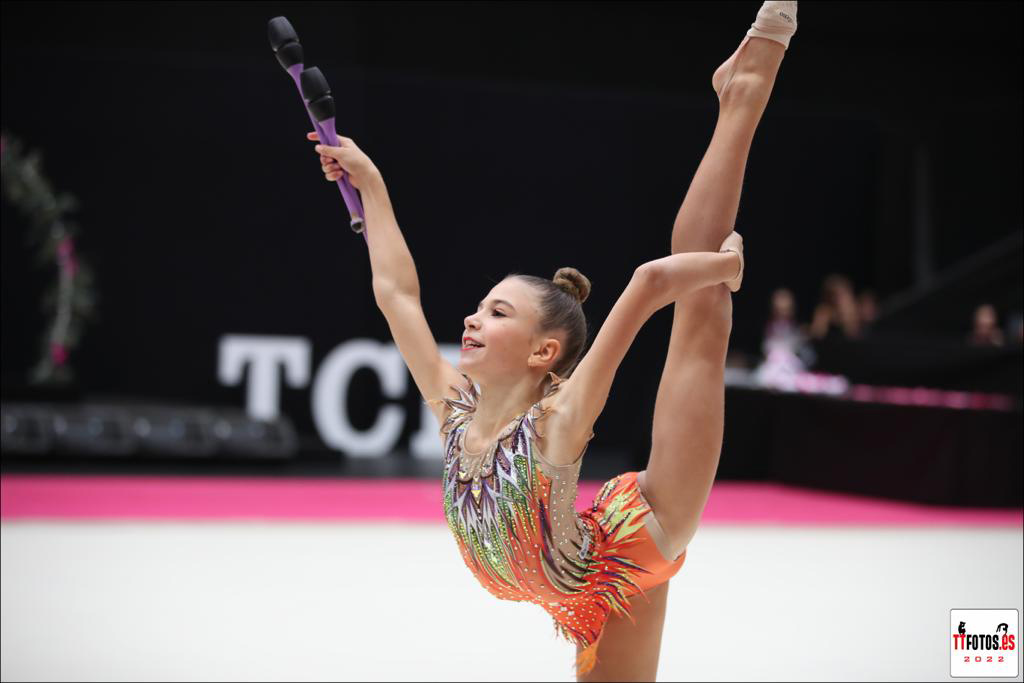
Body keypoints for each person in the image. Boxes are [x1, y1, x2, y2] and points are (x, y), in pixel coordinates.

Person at [309, 2, 796, 678]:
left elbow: (651, 283)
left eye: (496, 312)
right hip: (580, 593)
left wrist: (727, 267)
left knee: (702, 317)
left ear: (544, 353)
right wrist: (373, 183)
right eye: (479, 309)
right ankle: (740, 96)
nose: (471, 321)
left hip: (636, 548)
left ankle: (747, 84)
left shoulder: (557, 423)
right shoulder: (453, 412)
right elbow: (397, 296)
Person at [810, 273, 862, 341]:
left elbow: (855, 336)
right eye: (832, 295)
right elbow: (816, 335)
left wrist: (848, 320)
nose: (837, 300)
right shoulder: (824, 313)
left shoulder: (860, 312)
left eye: (841, 294)